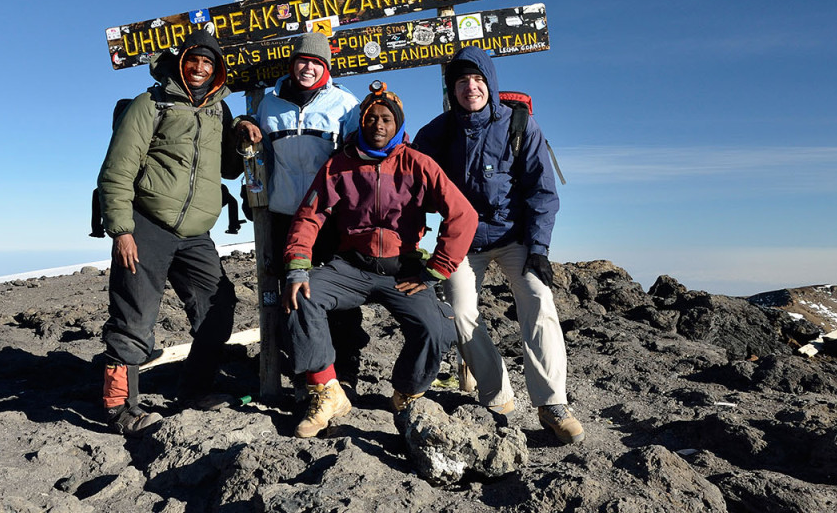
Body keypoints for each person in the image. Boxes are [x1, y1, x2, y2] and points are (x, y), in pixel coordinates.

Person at [411, 46, 585, 444]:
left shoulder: (519, 125)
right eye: (461, 82)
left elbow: (542, 192)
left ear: (490, 83)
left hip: (514, 237)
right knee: (460, 312)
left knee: (539, 302)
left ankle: (552, 404)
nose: (470, 87)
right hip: (463, 242)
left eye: (477, 80)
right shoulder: (435, 134)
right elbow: (410, 187)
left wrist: (538, 249)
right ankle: (497, 396)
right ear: (451, 90)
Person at [283, 82, 476, 438]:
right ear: (361, 121)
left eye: (387, 119)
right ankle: (328, 390)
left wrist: (435, 270)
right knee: (300, 295)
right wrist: (297, 266)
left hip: (403, 271)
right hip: (350, 267)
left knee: (436, 328)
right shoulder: (340, 164)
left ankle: (407, 391)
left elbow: (463, 215)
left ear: (398, 123)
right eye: (370, 118)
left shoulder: (418, 164)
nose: (377, 125)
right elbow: (309, 216)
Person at [95, 29, 242, 436]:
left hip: (196, 234)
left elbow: (229, 169)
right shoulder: (150, 103)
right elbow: (117, 170)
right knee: (134, 317)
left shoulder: (218, 111)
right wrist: (121, 230)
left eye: (208, 62)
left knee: (218, 309)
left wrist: (241, 135)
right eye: (193, 59)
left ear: (217, 70)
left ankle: (193, 390)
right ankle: (120, 409)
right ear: (181, 62)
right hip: (146, 223)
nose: (199, 68)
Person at [234, 32, 368, 390]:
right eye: (302, 61)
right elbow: (256, 150)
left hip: (329, 218)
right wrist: (241, 126)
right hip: (282, 216)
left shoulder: (345, 104)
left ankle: (345, 372)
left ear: (325, 67)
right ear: (292, 64)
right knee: (288, 296)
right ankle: (301, 371)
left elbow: (360, 157)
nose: (308, 68)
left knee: (335, 298)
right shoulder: (270, 104)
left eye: (316, 63)